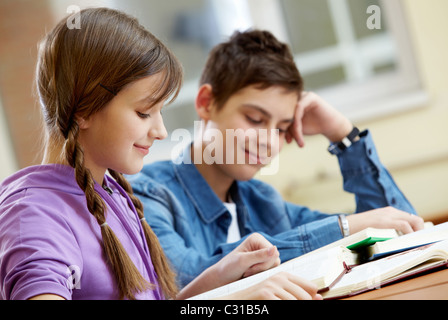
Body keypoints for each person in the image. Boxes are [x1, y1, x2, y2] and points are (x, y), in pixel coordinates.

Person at [0, 8, 322, 300]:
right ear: (83, 108)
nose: (161, 131)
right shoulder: (34, 215)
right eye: (143, 113)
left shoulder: (111, 194)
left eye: (160, 113)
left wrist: (222, 278)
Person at [129, 29, 425, 289]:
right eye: (255, 119)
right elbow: (182, 280)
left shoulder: (264, 201)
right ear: (207, 103)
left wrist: (343, 135)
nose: (269, 142)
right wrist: (344, 228)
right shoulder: (148, 193)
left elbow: (402, 230)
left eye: (282, 128)